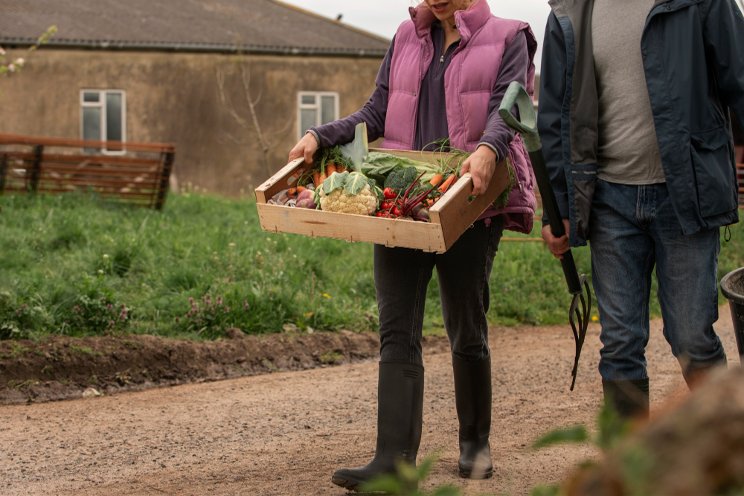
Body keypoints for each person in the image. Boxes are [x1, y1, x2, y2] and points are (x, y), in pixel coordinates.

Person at [288, 0, 536, 489]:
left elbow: (510, 110)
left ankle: (475, 445)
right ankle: (393, 461)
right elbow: (377, 112)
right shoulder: (406, 37)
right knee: (396, 326)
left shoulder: (511, 36)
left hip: (469, 200)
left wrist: (488, 150)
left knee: (465, 323)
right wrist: (322, 135)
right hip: (402, 198)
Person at [537, 0, 744, 419]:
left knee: (692, 338)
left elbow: (739, 77)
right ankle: (628, 471)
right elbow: (555, 116)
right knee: (619, 342)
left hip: (685, 195)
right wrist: (555, 210)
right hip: (609, 201)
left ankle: (723, 457)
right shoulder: (570, 10)